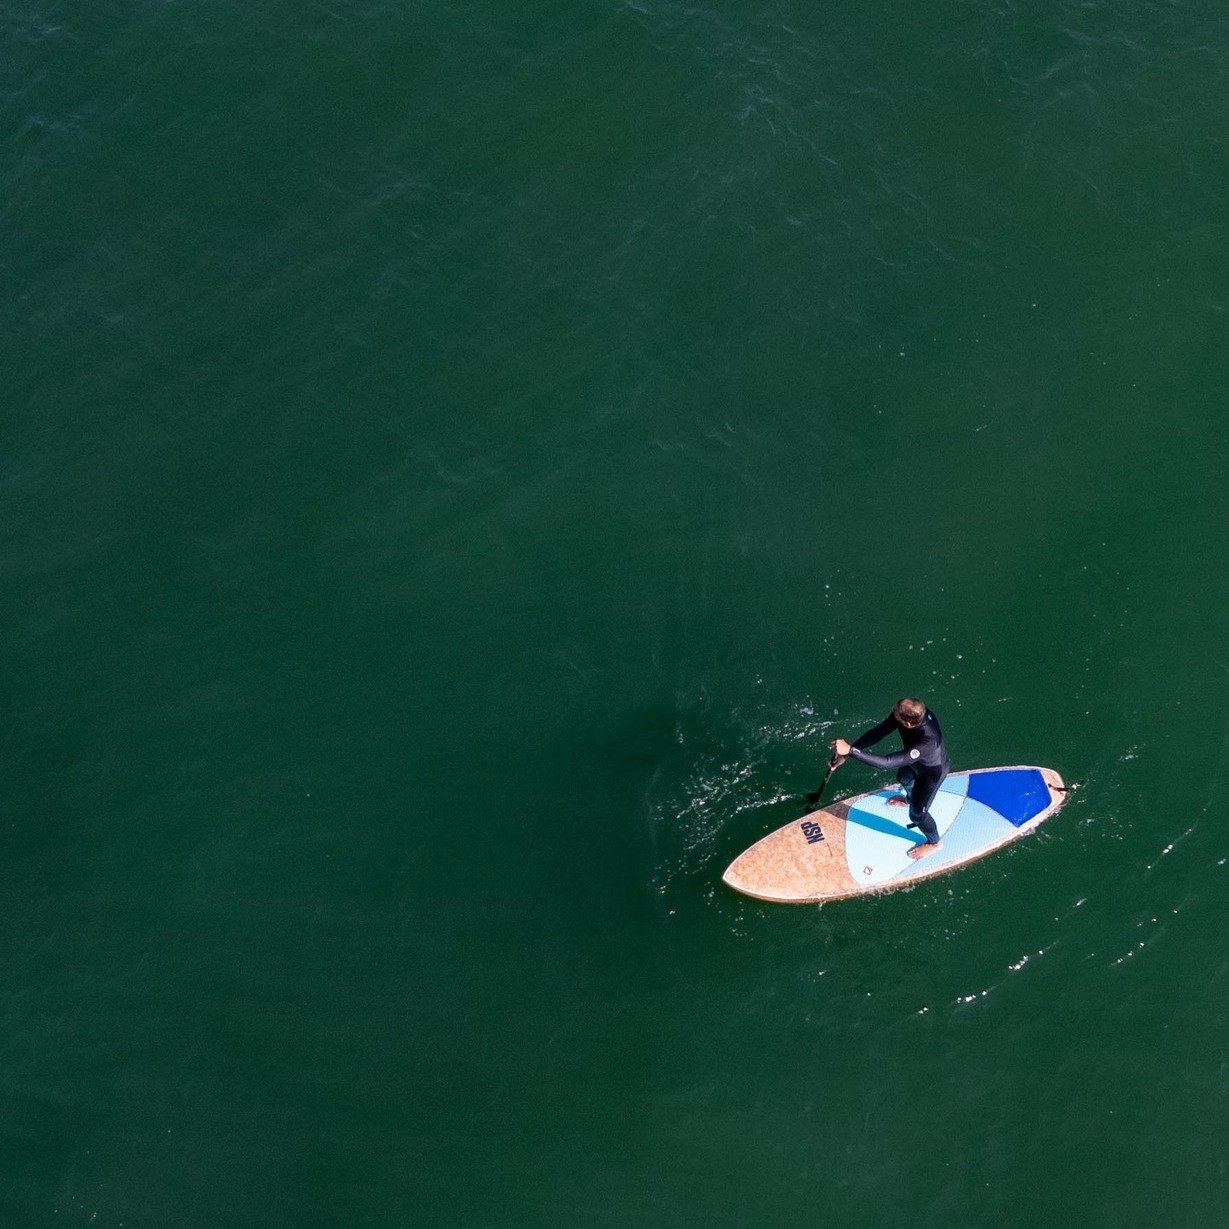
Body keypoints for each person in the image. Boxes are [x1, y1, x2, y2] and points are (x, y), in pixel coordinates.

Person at [831, 697, 950, 861]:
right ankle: (909, 799)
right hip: (915, 762)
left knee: (917, 816)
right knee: (903, 777)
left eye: (896, 713)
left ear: (907, 723)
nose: (893, 713)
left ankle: (934, 843)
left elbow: (886, 763)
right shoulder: (912, 714)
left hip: (931, 774)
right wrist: (846, 754)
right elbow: (879, 731)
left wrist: (851, 751)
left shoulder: (928, 739)